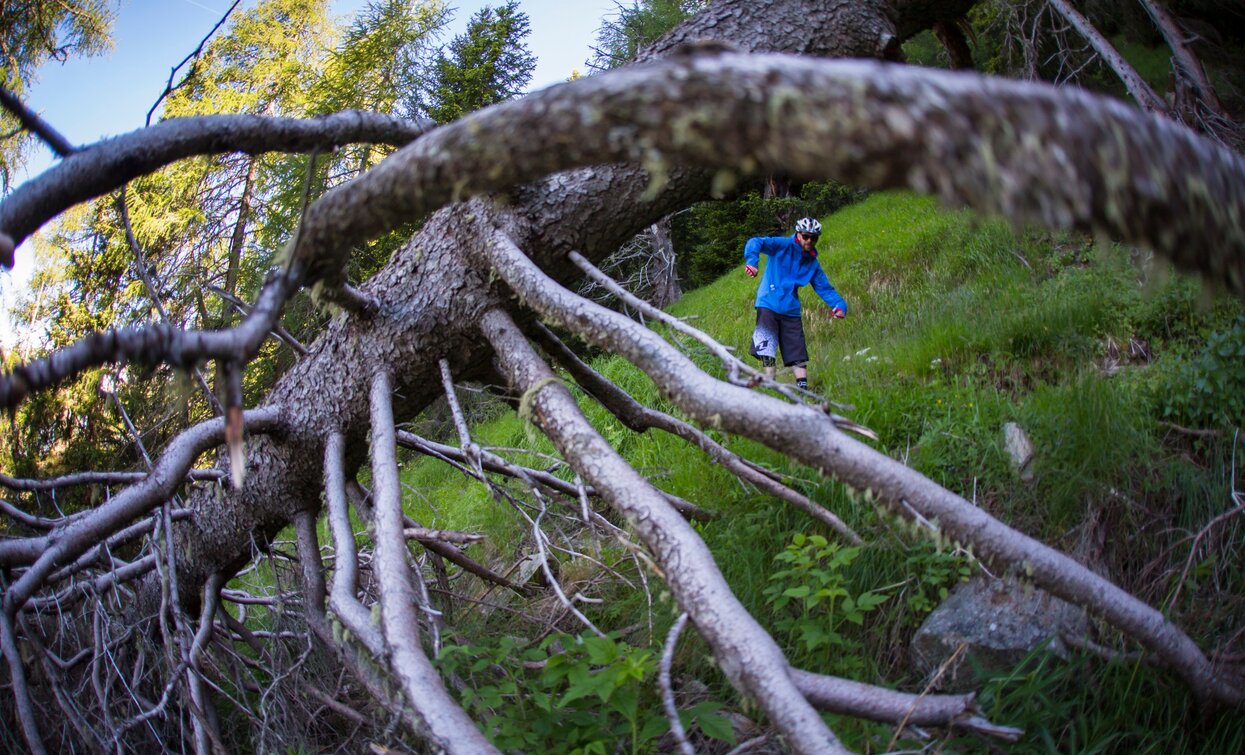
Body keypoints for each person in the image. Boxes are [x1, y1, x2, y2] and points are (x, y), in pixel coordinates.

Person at [743, 217, 847, 390]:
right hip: (768, 301)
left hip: (791, 309)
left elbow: (825, 288)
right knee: (766, 345)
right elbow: (755, 242)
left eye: (814, 238)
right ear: (798, 234)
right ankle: (770, 382)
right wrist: (752, 262)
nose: (809, 241)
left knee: (797, 350)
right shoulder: (782, 245)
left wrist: (840, 305)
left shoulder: (812, 263)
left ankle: (803, 392)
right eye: (806, 236)